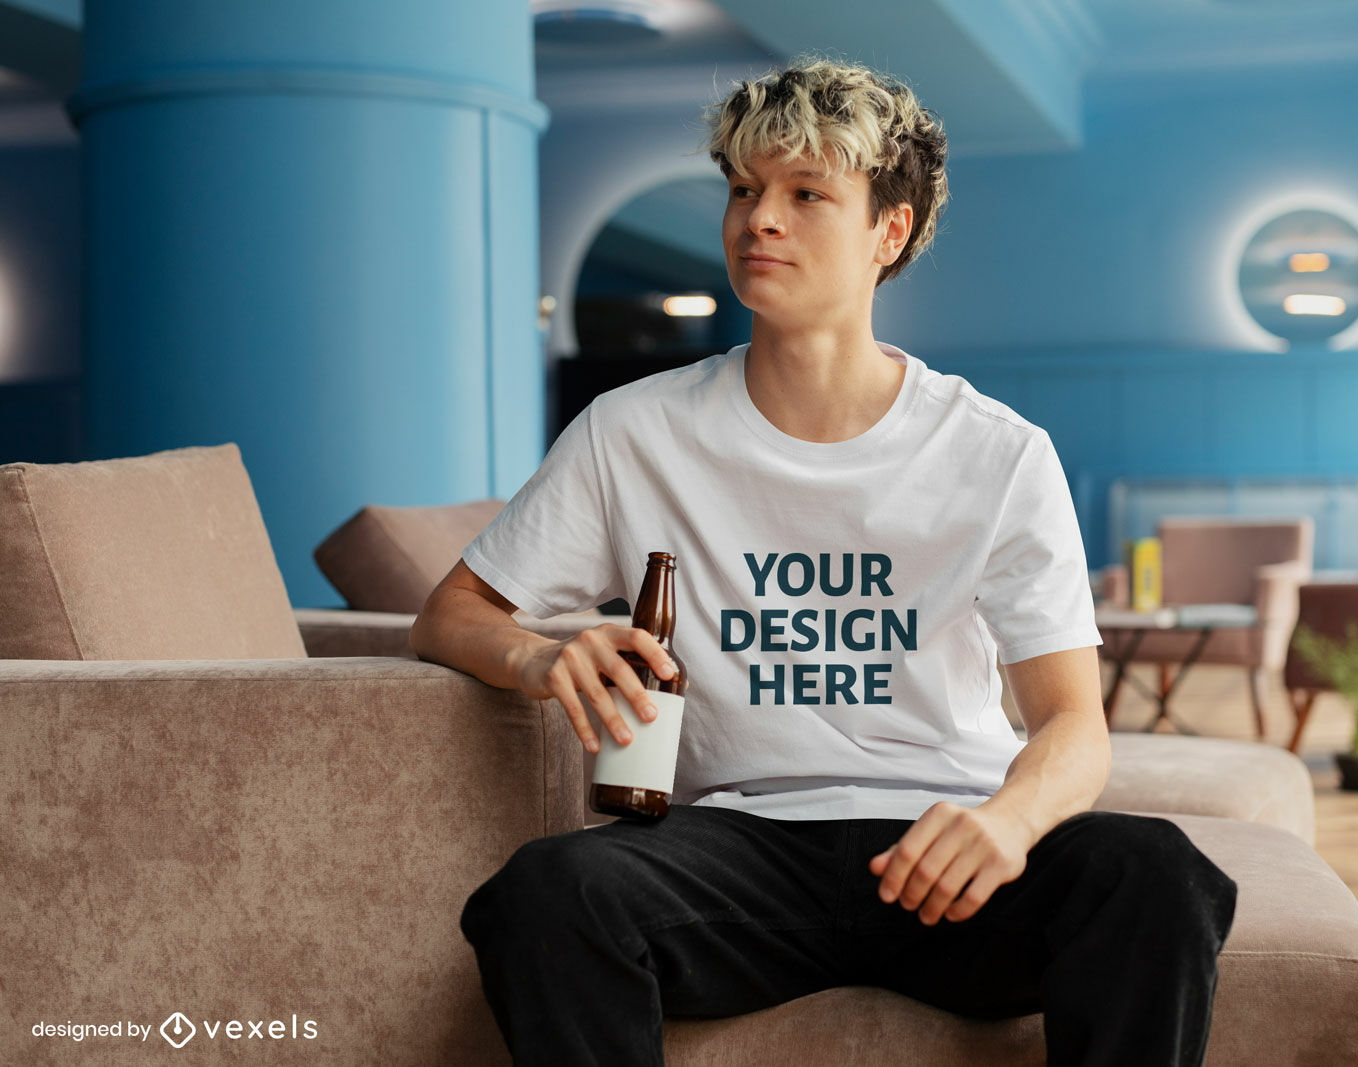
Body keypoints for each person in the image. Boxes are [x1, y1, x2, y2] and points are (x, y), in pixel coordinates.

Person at [410, 56, 1237, 1067]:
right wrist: (537, 656)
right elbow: (450, 612)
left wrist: (1010, 823)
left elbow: (1073, 723)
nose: (761, 220)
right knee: (547, 891)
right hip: (737, 852)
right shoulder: (630, 432)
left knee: (1155, 871)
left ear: (887, 231)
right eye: (745, 190)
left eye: (808, 195)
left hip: (947, 845)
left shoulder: (995, 449)